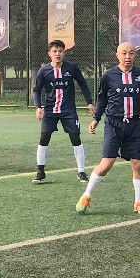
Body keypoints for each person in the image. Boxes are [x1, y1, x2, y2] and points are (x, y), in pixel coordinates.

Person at [78, 42, 140, 214]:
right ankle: (86, 196)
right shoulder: (109, 75)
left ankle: (139, 202)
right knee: (106, 163)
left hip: (134, 125)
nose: (127, 57)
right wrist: (96, 119)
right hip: (114, 124)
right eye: (124, 53)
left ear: (135, 55)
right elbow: (102, 99)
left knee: (138, 164)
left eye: (131, 53)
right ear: (117, 55)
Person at [31, 40, 94, 184]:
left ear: (64, 53)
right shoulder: (44, 71)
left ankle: (81, 172)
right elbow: (37, 90)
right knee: (44, 138)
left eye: (60, 51)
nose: (58, 53)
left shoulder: (71, 68)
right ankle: (40, 172)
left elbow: (83, 84)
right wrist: (38, 107)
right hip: (50, 111)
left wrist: (89, 102)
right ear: (49, 53)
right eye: (55, 51)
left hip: (68, 111)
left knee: (75, 138)